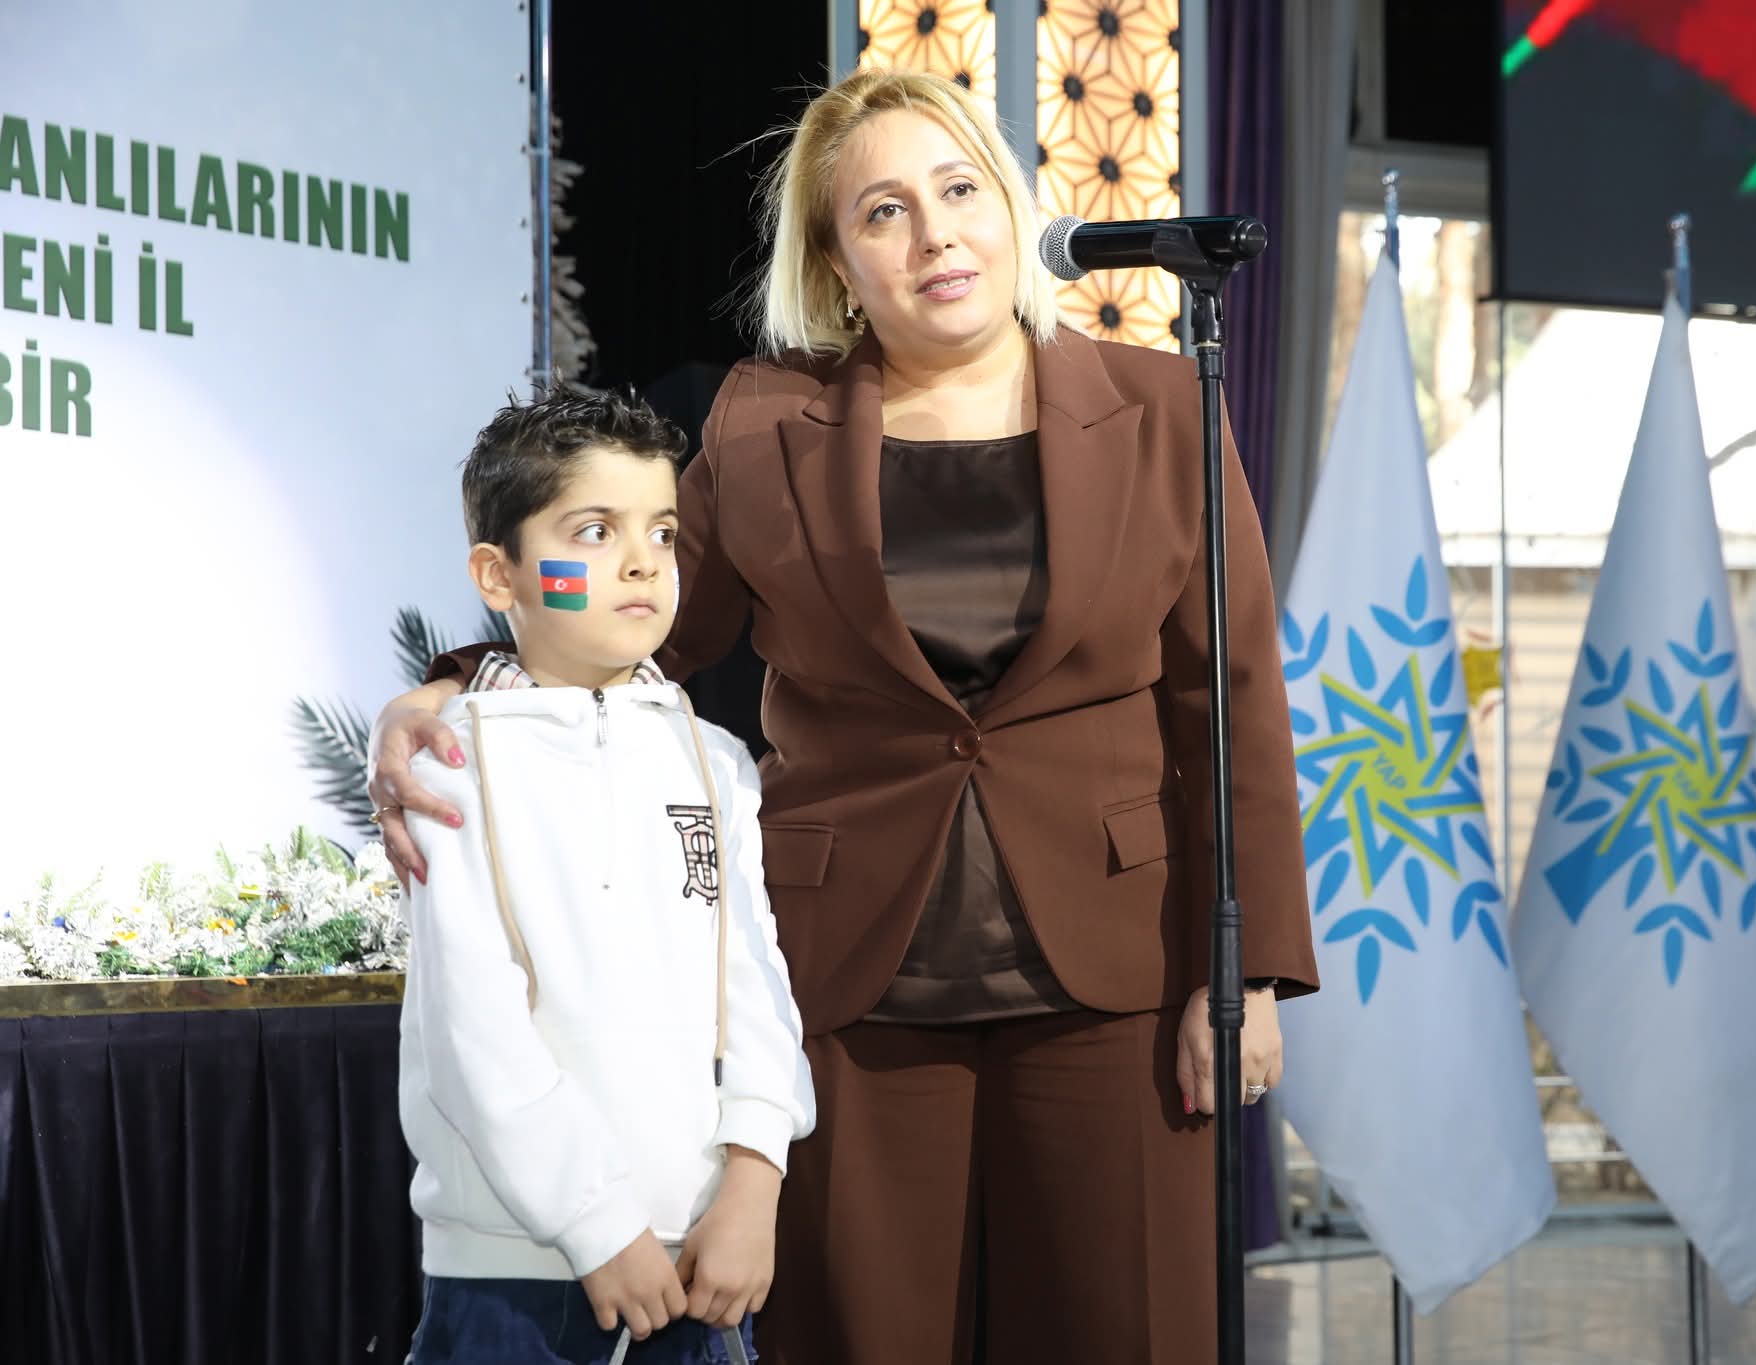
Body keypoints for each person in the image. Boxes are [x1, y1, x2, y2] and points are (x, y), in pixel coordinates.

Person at [372, 70, 1316, 1364]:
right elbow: (641, 620)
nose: (934, 235)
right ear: (835, 263)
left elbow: (1233, 696)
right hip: (852, 987)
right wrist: (454, 684)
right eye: (883, 211)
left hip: (1120, 975)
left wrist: (1245, 969)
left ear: (1009, 206)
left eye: (959, 189)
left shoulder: (1161, 406)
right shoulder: (765, 421)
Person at [393, 388, 814, 1364]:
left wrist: (754, 1182)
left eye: (661, 532)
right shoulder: (449, 761)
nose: (640, 561)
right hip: (513, 1275)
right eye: (593, 531)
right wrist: (596, 1225)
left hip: (703, 1259)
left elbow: (757, 993)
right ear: (498, 574)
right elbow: (472, 1030)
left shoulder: (716, 761)